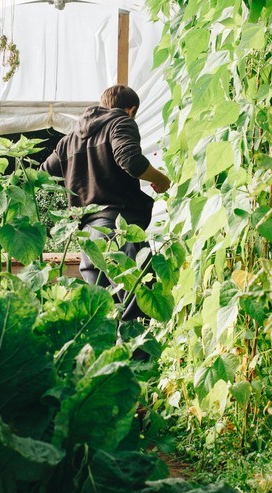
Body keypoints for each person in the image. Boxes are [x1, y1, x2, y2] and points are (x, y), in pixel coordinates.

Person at [41, 85, 171, 319]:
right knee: (137, 305)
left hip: (88, 240)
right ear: (131, 110)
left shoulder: (68, 140)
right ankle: (138, 357)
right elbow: (129, 159)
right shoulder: (120, 122)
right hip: (118, 231)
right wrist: (160, 179)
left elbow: (42, 176)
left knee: (104, 314)